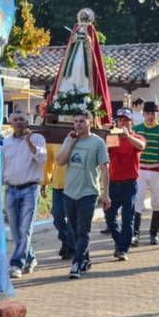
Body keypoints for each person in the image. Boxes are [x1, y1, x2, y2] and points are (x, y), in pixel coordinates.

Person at [56, 111, 110, 279]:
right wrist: (70, 143)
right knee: (73, 231)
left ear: (90, 122)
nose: (78, 124)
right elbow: (60, 161)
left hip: (88, 192)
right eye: (76, 121)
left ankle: (76, 263)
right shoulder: (69, 139)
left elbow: (104, 168)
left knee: (83, 230)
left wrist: (105, 194)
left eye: (82, 121)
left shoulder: (98, 142)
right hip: (69, 192)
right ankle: (85, 259)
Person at [2, 111, 47, 278]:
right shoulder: (6, 143)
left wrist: (29, 142)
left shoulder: (37, 139)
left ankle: (16, 263)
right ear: (10, 122)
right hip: (11, 189)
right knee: (14, 228)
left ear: (27, 122)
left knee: (25, 228)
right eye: (15, 120)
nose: (19, 122)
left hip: (30, 188)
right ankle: (31, 257)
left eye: (22, 120)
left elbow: (42, 159)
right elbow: (3, 166)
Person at [105, 109, 145, 260]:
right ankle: (120, 241)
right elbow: (104, 152)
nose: (122, 123)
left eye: (125, 120)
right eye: (120, 120)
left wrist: (128, 136)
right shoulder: (113, 138)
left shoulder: (136, 137)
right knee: (109, 216)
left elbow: (141, 146)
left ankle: (122, 249)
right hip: (114, 183)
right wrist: (106, 131)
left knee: (128, 217)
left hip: (130, 184)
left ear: (131, 122)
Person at [132, 101, 159, 246]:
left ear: (157, 114)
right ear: (143, 114)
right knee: (137, 201)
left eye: (153, 113)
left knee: (157, 202)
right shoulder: (136, 129)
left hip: (156, 170)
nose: (150, 116)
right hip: (140, 170)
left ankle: (154, 234)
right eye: (148, 113)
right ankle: (135, 234)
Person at [43, 144, 75, 260]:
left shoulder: (78, 137)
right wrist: (45, 182)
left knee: (72, 219)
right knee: (58, 217)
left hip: (75, 185)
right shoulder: (53, 140)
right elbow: (48, 163)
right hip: (58, 185)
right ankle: (66, 240)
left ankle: (71, 246)